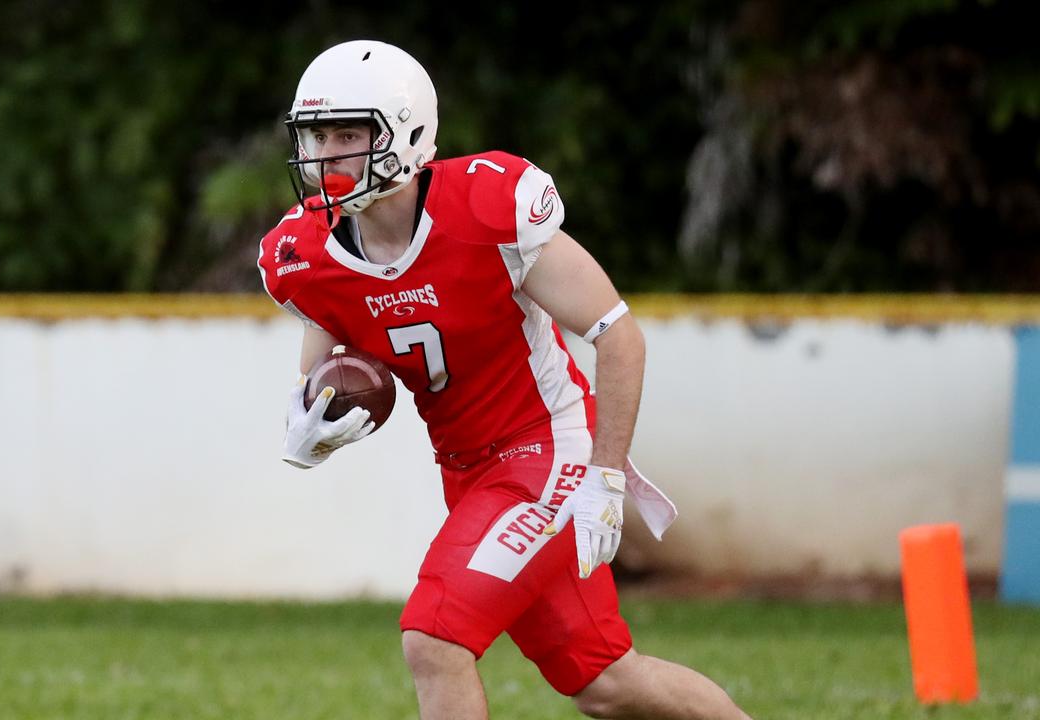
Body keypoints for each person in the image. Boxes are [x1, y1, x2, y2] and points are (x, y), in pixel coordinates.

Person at [257, 39, 752, 720]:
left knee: (434, 639)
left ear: (405, 131)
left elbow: (618, 335)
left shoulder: (486, 206)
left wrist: (603, 477)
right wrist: (310, 424)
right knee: (607, 684)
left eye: (350, 133)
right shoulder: (306, 254)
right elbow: (324, 372)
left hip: (546, 449)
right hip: (464, 470)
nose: (328, 154)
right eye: (317, 136)